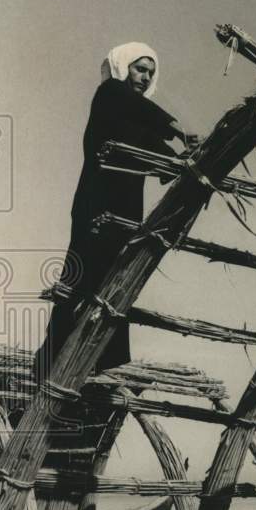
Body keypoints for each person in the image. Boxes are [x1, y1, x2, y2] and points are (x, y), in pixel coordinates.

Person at [32, 42, 186, 384]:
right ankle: (50, 367)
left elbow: (145, 140)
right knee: (81, 283)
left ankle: (107, 368)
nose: (144, 77)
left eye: (150, 71)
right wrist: (177, 129)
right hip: (96, 208)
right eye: (138, 69)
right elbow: (141, 124)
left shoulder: (132, 121)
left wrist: (177, 160)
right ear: (122, 67)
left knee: (114, 289)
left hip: (125, 215)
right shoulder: (109, 94)